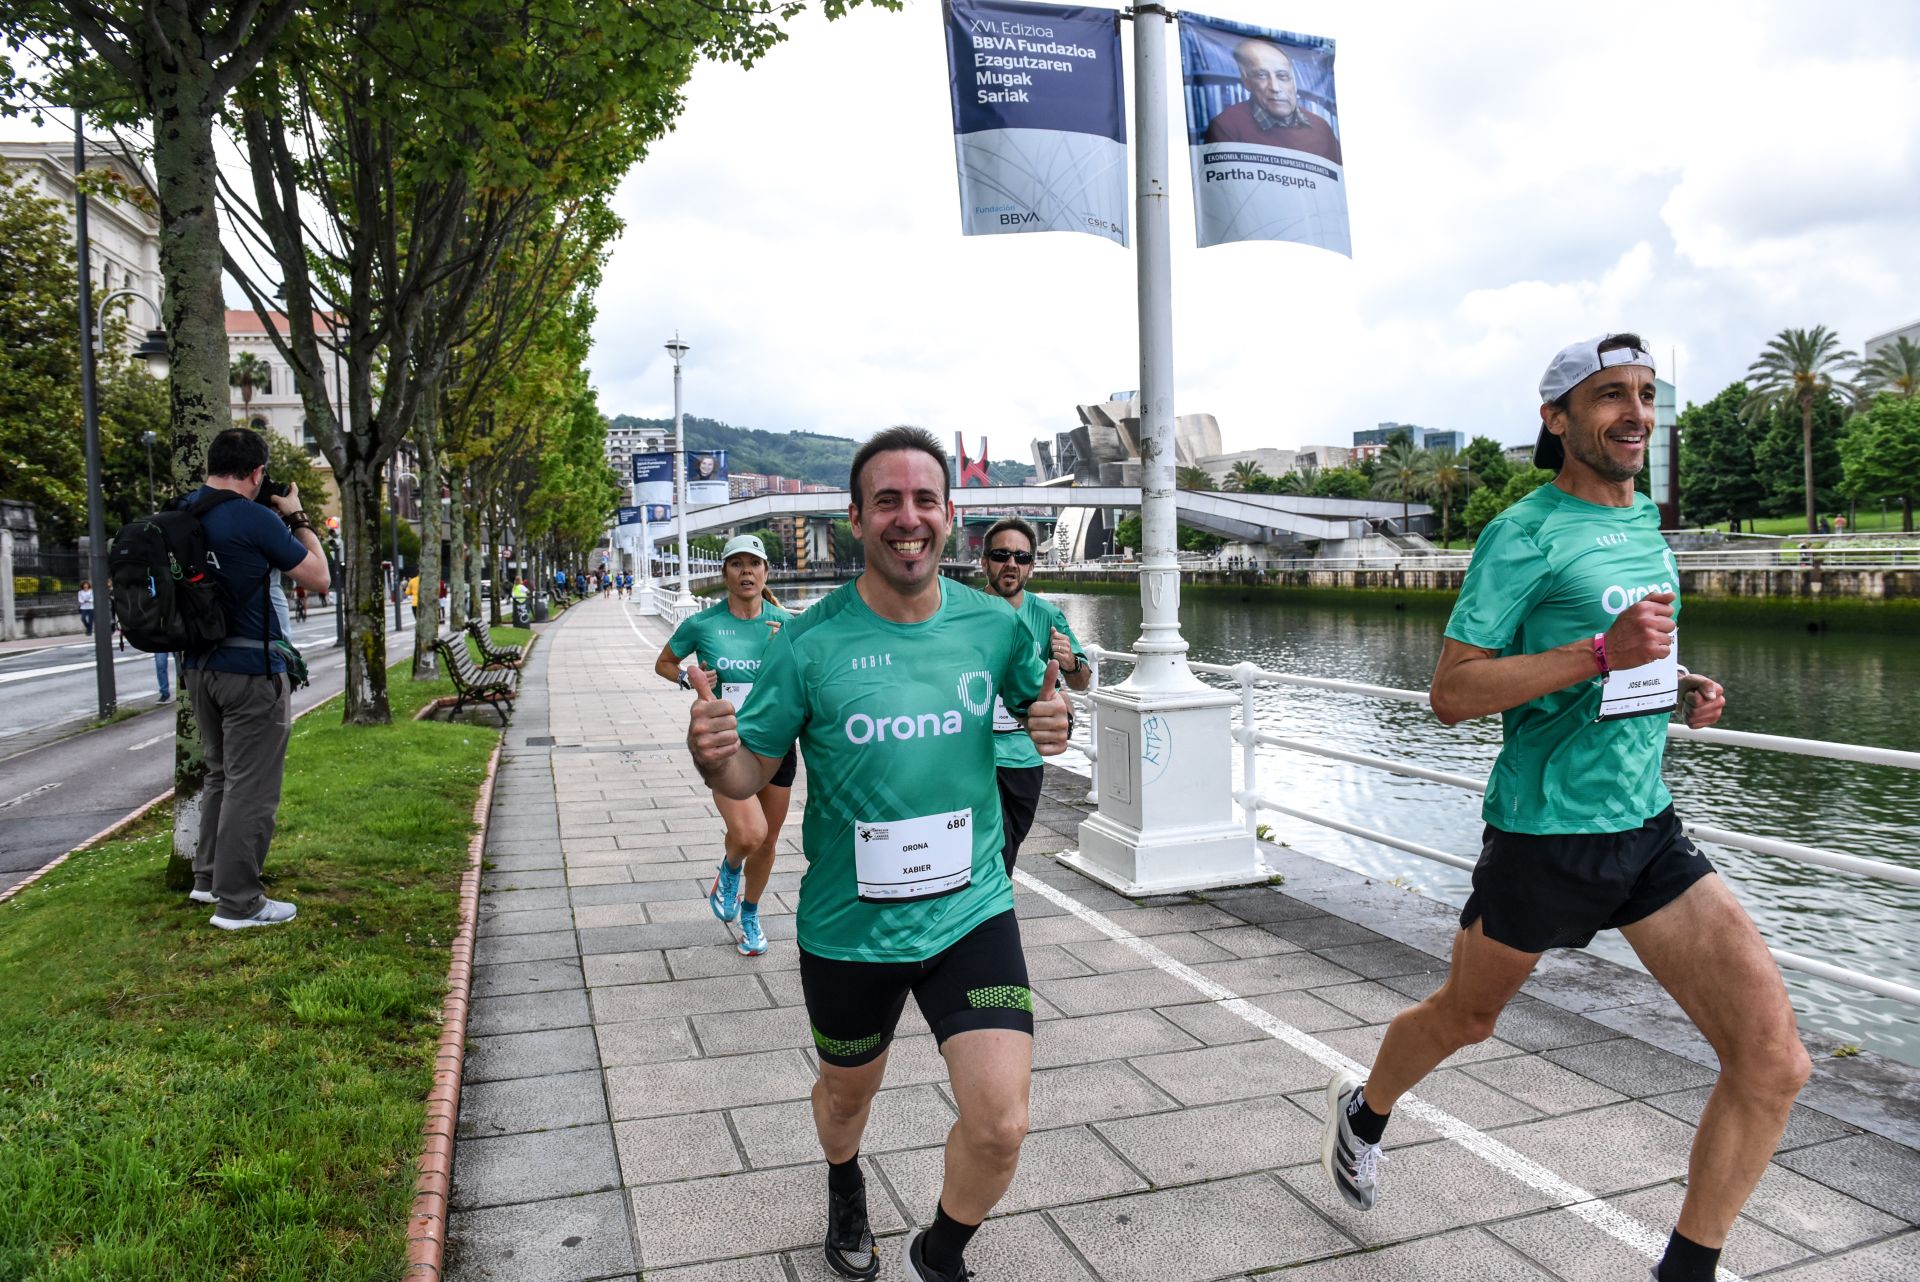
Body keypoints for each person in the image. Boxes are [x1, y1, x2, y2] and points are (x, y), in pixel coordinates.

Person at [1319, 335, 1810, 1282]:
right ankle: (1366, 1107)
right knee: (1466, 1018)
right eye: (1609, 396)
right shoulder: (1523, 533)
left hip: (1646, 829)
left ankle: (1686, 1271)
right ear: (1557, 419)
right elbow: (1454, 693)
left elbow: (1630, 654)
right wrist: (1600, 655)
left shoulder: (1647, 524)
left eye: (1646, 394)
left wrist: (1672, 683)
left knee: (1774, 1060)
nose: (1635, 413)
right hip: (1545, 836)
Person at [686, 426, 1071, 1282]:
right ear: (856, 517)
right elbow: (752, 764)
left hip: (971, 909)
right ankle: (843, 1179)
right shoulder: (810, 640)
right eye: (888, 501)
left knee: (1002, 1122)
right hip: (850, 929)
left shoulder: (990, 624)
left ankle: (941, 1252)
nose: (909, 518)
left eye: (924, 500)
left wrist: (1055, 722)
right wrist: (716, 753)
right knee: (846, 1099)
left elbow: (1036, 701)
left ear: (950, 516)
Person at [180, 428, 332, 929]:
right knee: (253, 786)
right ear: (257, 473)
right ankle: (240, 902)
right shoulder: (251, 516)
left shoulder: (183, 511)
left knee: (222, 775)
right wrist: (297, 517)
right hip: (251, 671)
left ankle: (207, 880)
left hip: (200, 668)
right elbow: (318, 577)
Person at [655, 534, 796, 956]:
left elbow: (810, 678)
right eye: (737, 564)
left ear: (766, 572)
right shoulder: (703, 623)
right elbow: (664, 662)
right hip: (725, 743)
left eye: (754, 564)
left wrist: (783, 654)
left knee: (769, 840)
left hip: (777, 744)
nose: (746, 572)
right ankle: (730, 867)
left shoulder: (784, 622)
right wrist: (688, 679)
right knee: (749, 832)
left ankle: (750, 915)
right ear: (725, 574)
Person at [978, 517, 1091, 874]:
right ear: (985, 562)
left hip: (1024, 758)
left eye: (1022, 557)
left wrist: (1069, 661)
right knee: (990, 854)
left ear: (1031, 566)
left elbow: (1081, 682)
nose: (1011, 563)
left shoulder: (1047, 615)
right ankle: (991, 920)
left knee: (1007, 851)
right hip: (973, 757)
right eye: (1001, 554)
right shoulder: (962, 614)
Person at [1203, 37, 1343, 163]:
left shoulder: (1322, 128)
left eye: (1282, 76)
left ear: (1294, 82)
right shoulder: (1226, 127)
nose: (1275, 88)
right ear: (1246, 81)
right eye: (1261, 75)